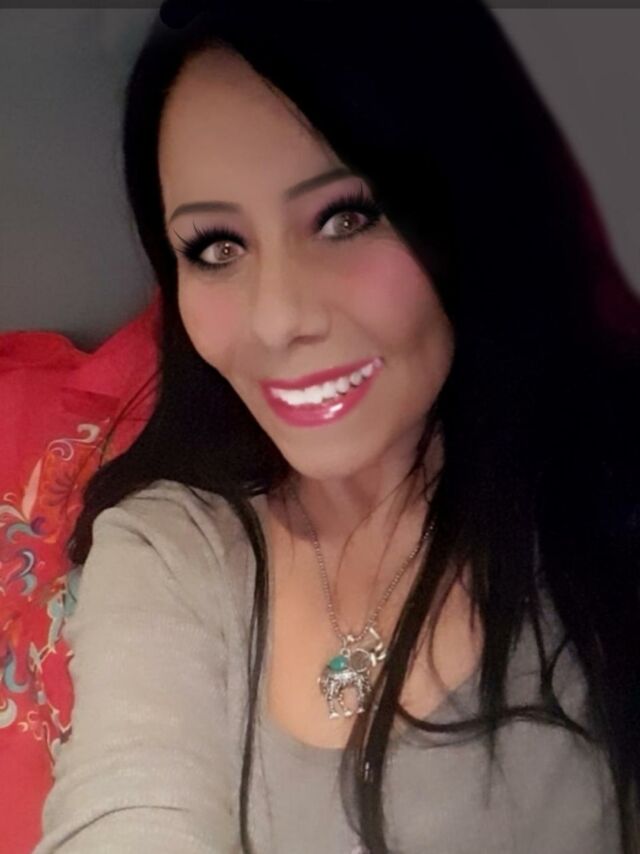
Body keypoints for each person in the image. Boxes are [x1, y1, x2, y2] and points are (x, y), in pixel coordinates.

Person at [35, 1, 640, 852]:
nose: (277, 319)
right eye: (215, 247)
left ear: (466, 210)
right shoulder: (172, 545)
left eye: (345, 217)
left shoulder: (605, 513)